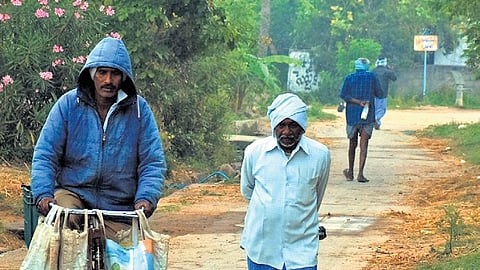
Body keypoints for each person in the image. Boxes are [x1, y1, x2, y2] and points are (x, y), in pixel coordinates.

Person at [31, 37, 167, 239]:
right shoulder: (68, 105)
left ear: (124, 77)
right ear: (92, 74)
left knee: (127, 256)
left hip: (119, 206)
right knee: (59, 229)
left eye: (115, 74)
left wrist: (146, 198)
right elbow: (45, 154)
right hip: (73, 195)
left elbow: (152, 162)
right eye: (102, 72)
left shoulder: (139, 110)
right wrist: (43, 194)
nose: (108, 81)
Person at [240, 93, 331, 270]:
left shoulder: (320, 155)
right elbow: (247, 190)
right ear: (274, 126)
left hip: (302, 249)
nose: (287, 132)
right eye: (281, 125)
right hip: (262, 248)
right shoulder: (254, 152)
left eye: (293, 126)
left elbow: (316, 196)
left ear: (303, 127)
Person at [340, 58, 384, 183]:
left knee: (352, 145)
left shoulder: (349, 78)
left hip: (352, 115)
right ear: (367, 66)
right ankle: (360, 174)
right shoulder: (372, 77)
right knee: (364, 145)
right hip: (368, 115)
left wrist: (357, 102)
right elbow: (380, 93)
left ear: (356, 66)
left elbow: (344, 95)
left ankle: (350, 173)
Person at [372, 57, 397, 129]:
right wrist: (390, 69)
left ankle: (377, 123)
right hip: (383, 93)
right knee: (382, 109)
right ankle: (377, 118)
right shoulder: (387, 71)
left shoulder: (373, 71)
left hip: (373, 93)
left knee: (375, 108)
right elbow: (394, 78)